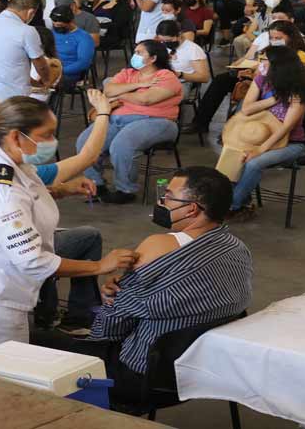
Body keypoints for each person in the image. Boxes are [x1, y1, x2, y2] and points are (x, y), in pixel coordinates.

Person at [0, 96, 138, 354]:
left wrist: (61, 190)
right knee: (3, 378)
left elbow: (28, 189)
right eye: (45, 135)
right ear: (15, 136)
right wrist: (99, 266)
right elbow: (33, 260)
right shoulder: (0, 190)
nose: (52, 142)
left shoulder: (5, 158)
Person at [94, 166, 252, 405]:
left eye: (168, 196)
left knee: (45, 343)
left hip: (144, 375)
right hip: (202, 373)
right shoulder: (238, 249)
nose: (161, 202)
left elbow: (114, 321)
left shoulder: (157, 245)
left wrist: (109, 302)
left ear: (191, 209)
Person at [77, 40, 182, 204]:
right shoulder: (128, 73)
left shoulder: (166, 76)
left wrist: (119, 93)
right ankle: (97, 185)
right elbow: (108, 89)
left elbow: (146, 99)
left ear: (153, 58)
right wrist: (139, 84)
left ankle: (125, 190)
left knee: (121, 145)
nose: (135, 56)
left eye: (140, 53)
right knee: (85, 141)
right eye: (135, 52)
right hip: (117, 118)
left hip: (156, 121)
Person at [228, 45, 305, 212]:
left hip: (290, 143)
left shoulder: (299, 89)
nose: (260, 63)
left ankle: (232, 206)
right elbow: (246, 108)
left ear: (278, 64)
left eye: (264, 60)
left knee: (253, 163)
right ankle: (240, 202)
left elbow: (285, 127)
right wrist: (274, 99)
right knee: (231, 156)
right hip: (260, 136)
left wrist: (260, 150)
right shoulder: (261, 79)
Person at [0, 0, 49, 101]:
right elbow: (40, 64)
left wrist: (34, 82)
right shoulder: (26, 31)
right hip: (12, 96)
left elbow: (6, 62)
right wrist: (46, 81)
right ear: (30, 12)